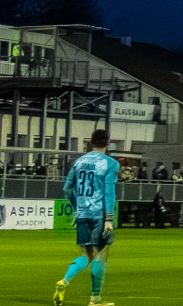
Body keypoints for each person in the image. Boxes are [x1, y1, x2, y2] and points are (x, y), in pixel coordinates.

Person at [53, 130, 119, 306]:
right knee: (101, 255)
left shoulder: (79, 162)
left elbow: (67, 189)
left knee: (85, 254)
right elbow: (109, 192)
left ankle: (65, 281)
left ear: (91, 143)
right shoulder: (110, 164)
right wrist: (109, 219)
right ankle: (94, 300)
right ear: (108, 143)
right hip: (99, 215)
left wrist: (78, 208)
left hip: (82, 213)